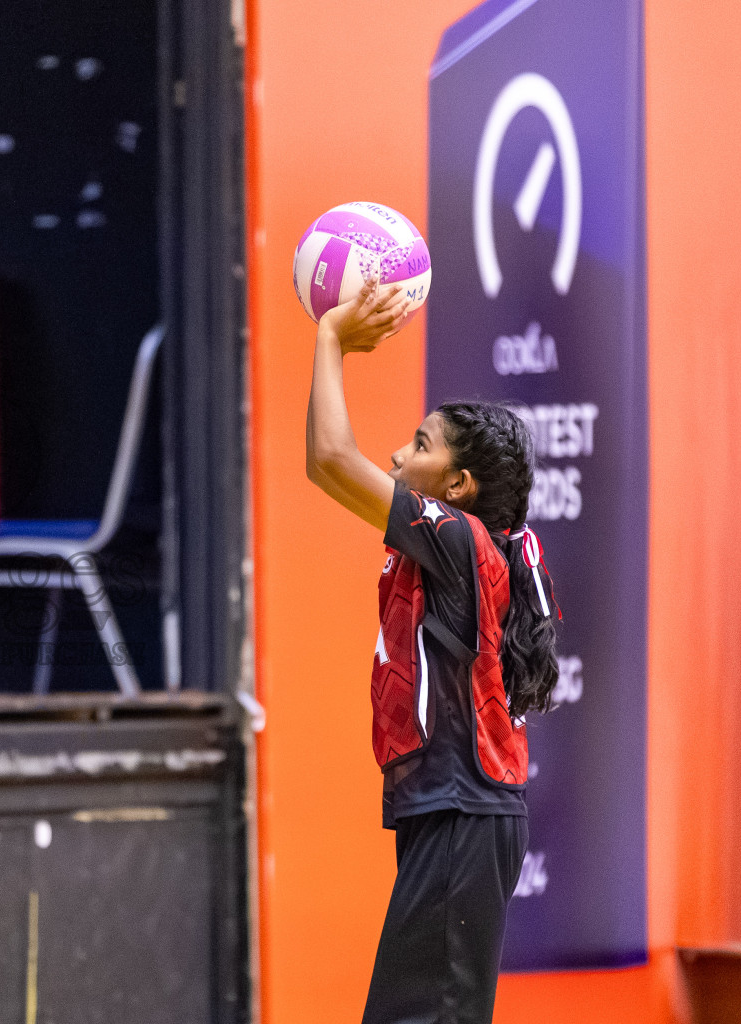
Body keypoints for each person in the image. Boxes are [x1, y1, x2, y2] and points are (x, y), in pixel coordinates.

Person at [304, 282, 561, 1023]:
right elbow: (326, 466)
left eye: (420, 445)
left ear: (458, 484)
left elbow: (329, 456)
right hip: (451, 814)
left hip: (465, 814)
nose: (397, 451)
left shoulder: (456, 537)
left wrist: (330, 339)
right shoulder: (453, 543)